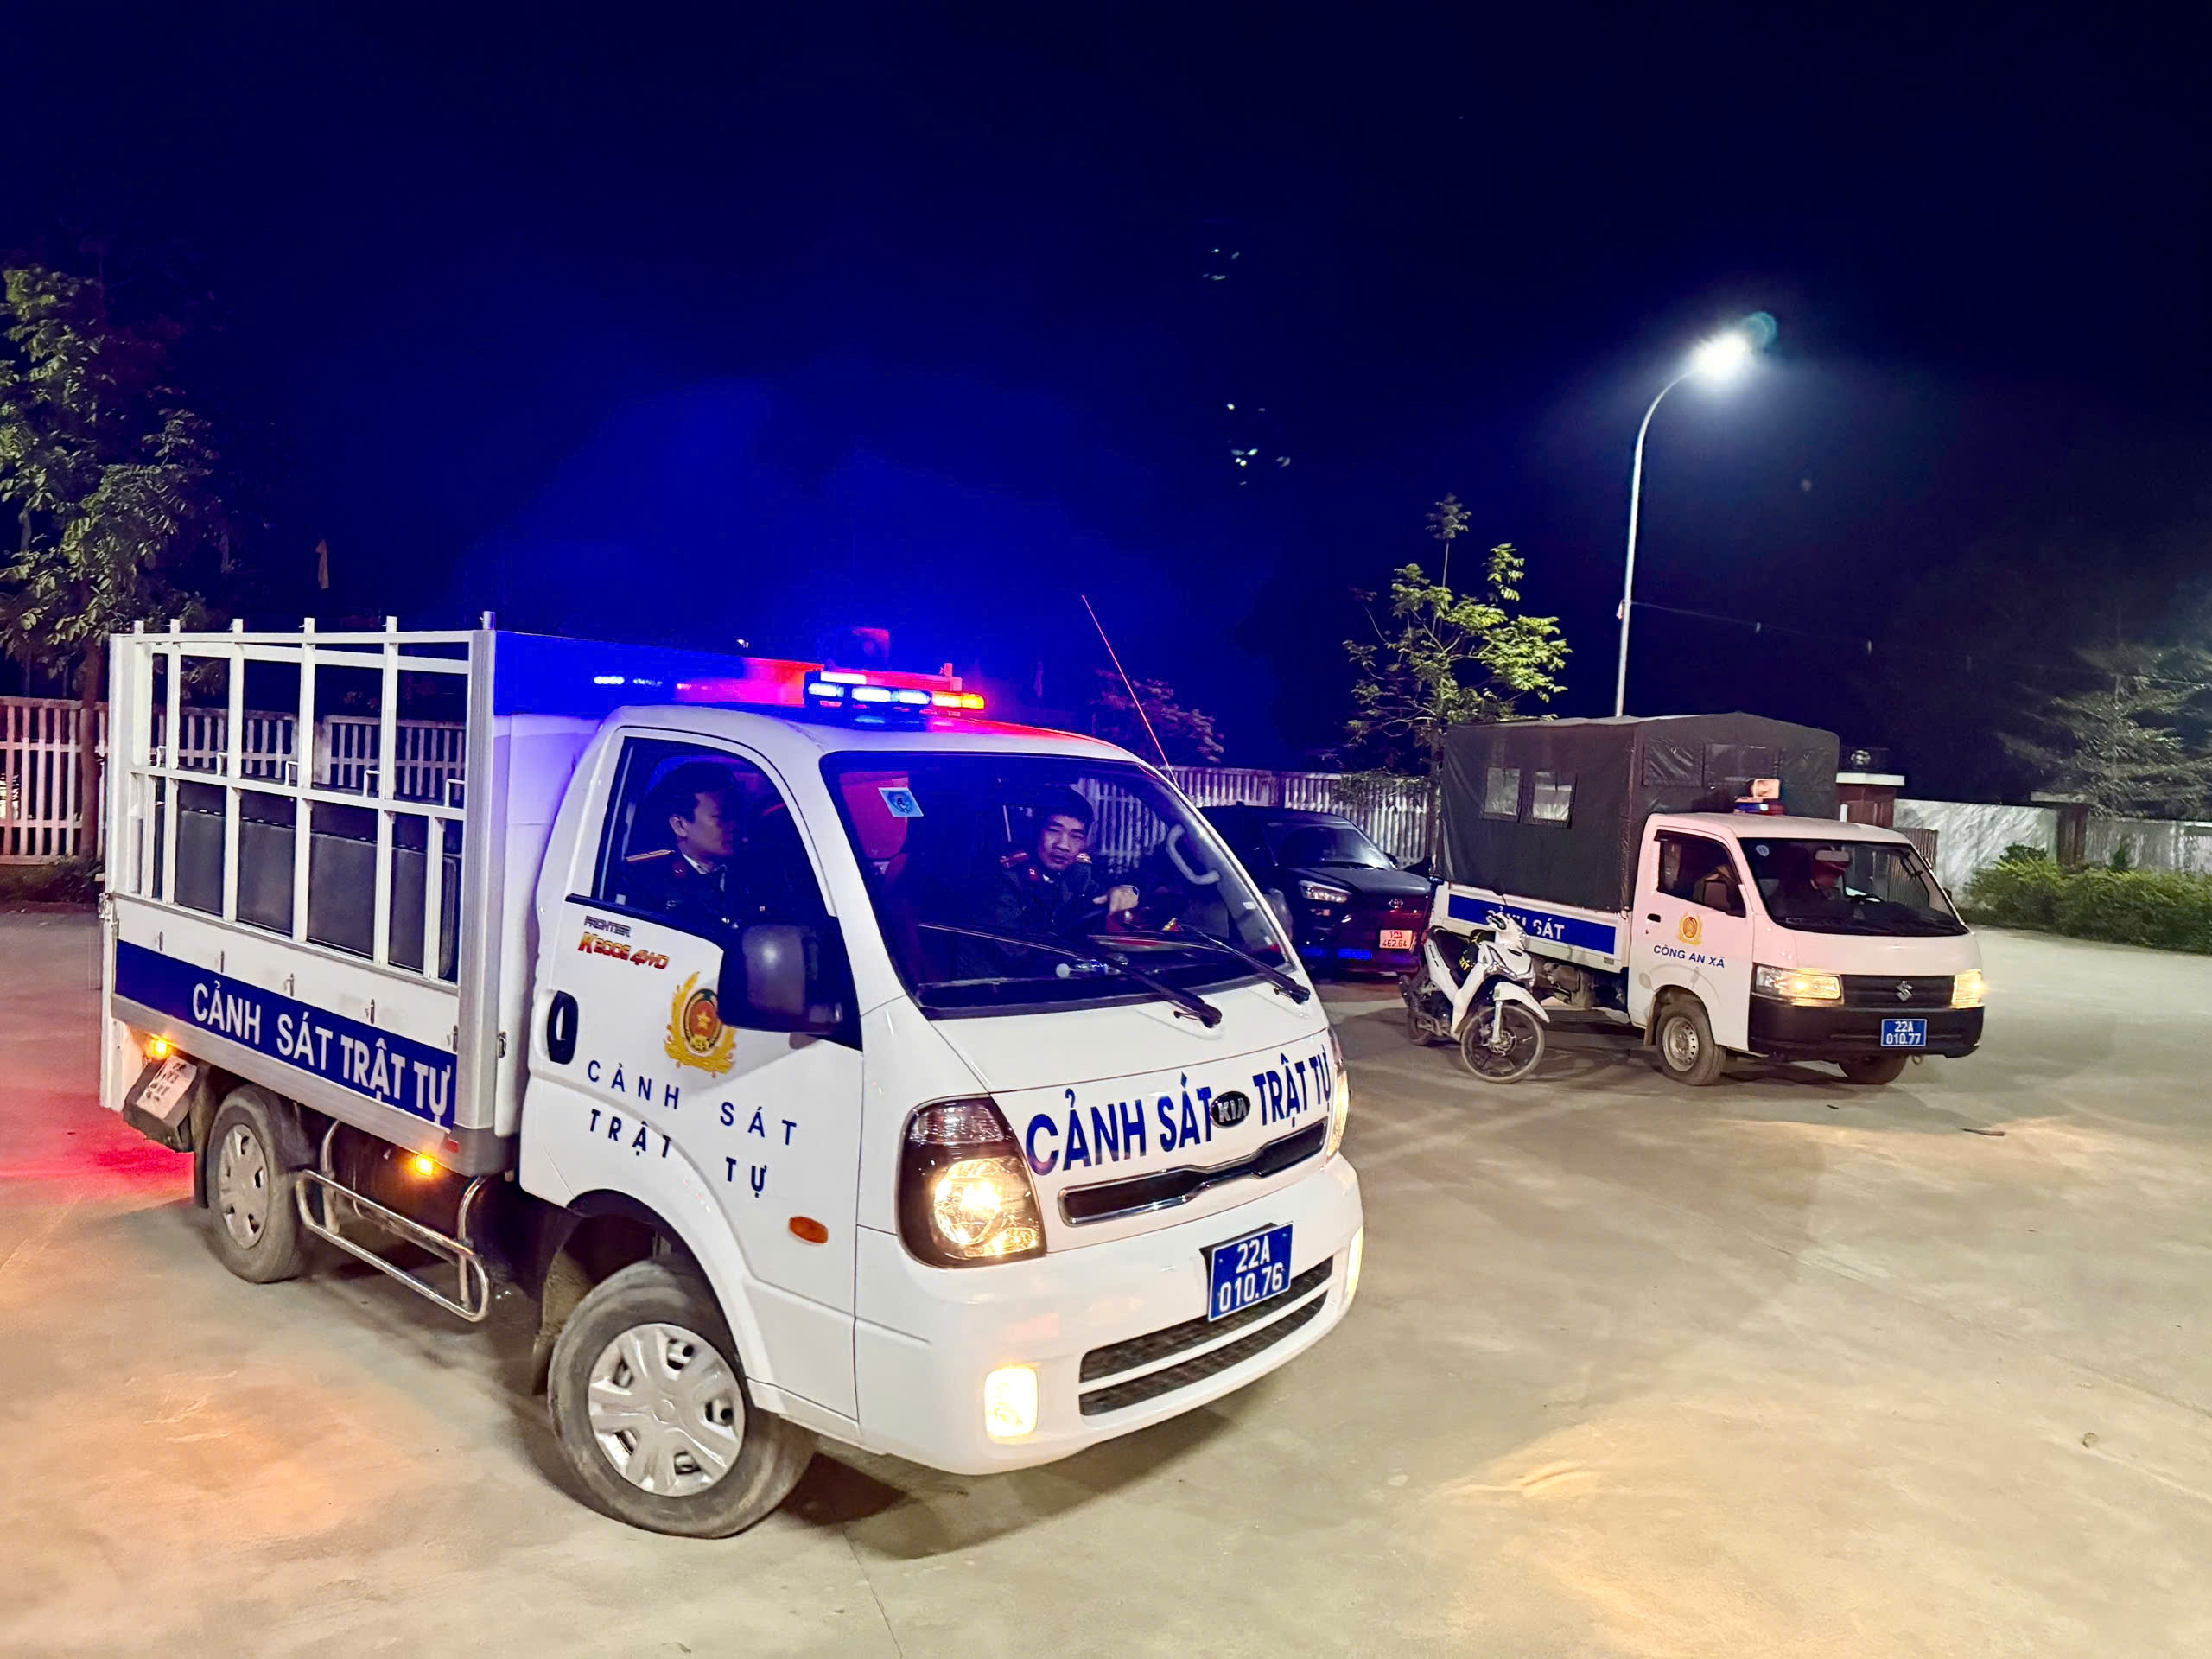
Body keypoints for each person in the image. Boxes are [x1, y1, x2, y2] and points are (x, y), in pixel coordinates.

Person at [983, 785, 1138, 939]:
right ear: (1036, 831)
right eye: (1054, 831)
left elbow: (1102, 899)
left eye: (1075, 836)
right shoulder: (1005, 876)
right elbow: (1010, 946)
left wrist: (1125, 891)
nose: (1063, 845)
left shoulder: (1078, 872)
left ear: (1084, 842)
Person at [623, 762, 748, 929]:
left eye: (737, 815)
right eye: (722, 817)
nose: (734, 826)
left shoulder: (759, 871)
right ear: (680, 825)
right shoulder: (644, 877)